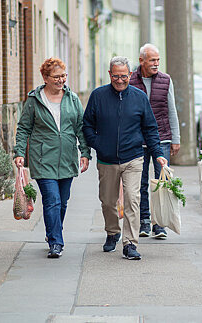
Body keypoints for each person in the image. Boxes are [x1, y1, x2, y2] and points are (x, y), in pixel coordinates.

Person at [83, 56, 167, 260]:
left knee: (132, 200)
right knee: (107, 201)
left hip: (133, 158)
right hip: (107, 160)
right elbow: (87, 125)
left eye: (124, 76)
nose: (120, 80)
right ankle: (112, 232)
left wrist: (158, 154)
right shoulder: (98, 96)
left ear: (130, 75)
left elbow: (150, 128)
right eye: (115, 76)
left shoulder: (139, 97)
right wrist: (99, 144)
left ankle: (130, 243)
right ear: (109, 75)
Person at [14, 57, 90, 258]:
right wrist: (19, 152)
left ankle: (52, 233)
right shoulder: (34, 100)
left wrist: (85, 152)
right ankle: (56, 242)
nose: (61, 80)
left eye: (63, 76)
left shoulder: (72, 99)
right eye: (56, 77)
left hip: (66, 157)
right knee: (52, 200)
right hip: (43, 157)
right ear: (45, 78)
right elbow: (23, 128)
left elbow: (81, 127)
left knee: (63, 201)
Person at [129, 43, 181, 239]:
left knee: (162, 182)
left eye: (158, 60)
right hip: (137, 139)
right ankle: (144, 221)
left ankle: (159, 224)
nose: (156, 64)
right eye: (152, 60)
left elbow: (171, 110)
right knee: (140, 182)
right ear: (141, 60)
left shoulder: (166, 80)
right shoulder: (131, 80)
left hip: (162, 139)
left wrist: (175, 138)